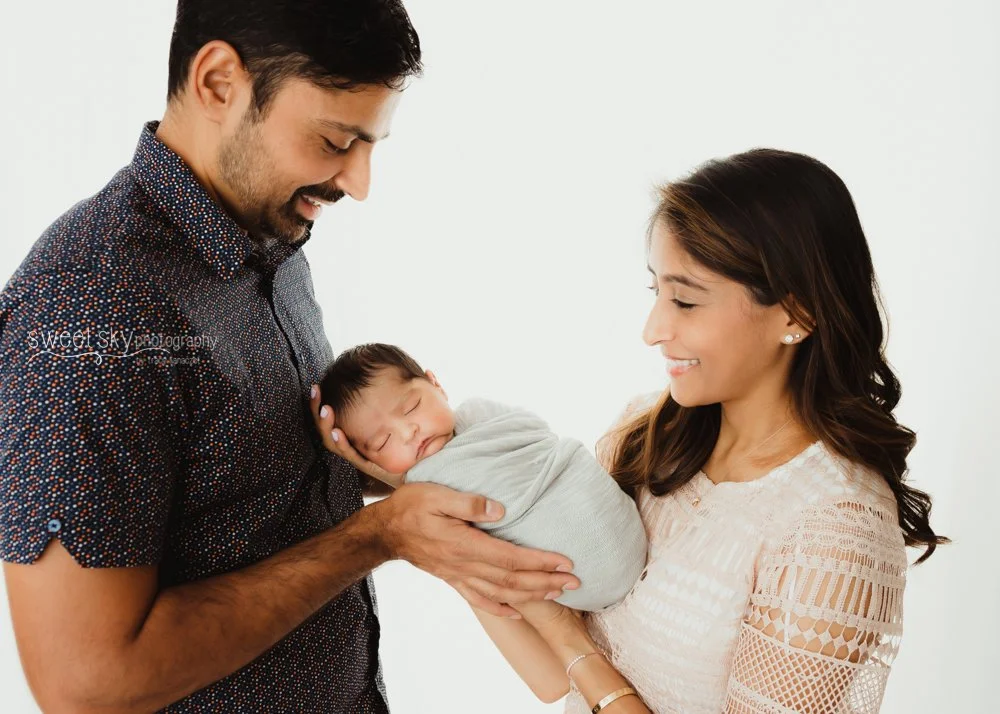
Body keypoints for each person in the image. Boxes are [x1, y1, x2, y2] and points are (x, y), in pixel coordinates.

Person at [0, 2, 578, 711]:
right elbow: (88, 682)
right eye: (337, 140)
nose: (359, 182)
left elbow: (248, 497)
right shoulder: (90, 308)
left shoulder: (268, 236)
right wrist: (377, 537)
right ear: (218, 83)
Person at [461, 149, 950, 713]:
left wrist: (571, 640)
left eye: (686, 301)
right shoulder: (649, 435)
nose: (652, 330)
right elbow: (553, 680)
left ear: (795, 315)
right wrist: (441, 509)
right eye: (657, 293)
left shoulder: (833, 532)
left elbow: (568, 652)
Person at [316, 342, 648, 611]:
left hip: (609, 514)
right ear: (368, 462)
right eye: (382, 441)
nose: (407, 432)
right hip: (587, 580)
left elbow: (537, 436)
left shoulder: (481, 414)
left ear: (436, 384)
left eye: (411, 407)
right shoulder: (423, 493)